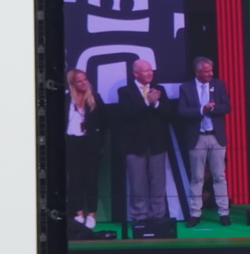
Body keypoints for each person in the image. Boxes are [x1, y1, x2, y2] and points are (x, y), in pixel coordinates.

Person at [177, 57, 231, 227]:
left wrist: (213, 108)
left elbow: (227, 107)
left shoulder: (218, 84)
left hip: (216, 136)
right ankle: (195, 213)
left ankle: (224, 212)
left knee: (219, 176)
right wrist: (202, 109)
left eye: (211, 70)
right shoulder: (185, 88)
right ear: (197, 72)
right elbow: (182, 111)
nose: (210, 74)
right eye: (206, 71)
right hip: (197, 137)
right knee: (197, 177)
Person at [117, 58, 171, 221]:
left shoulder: (159, 89)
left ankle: (158, 217)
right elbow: (127, 114)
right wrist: (147, 101)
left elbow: (169, 114)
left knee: (158, 185)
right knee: (137, 185)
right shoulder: (125, 91)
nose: (150, 73)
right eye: (146, 71)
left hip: (157, 144)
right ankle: (140, 218)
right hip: (134, 146)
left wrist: (156, 104)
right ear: (136, 73)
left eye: (150, 70)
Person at [65, 69, 105, 231]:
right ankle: (79, 213)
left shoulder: (95, 99)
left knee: (91, 180)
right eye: (79, 81)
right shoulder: (66, 99)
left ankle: (91, 215)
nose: (84, 83)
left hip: (89, 144)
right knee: (75, 180)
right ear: (72, 84)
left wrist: (98, 143)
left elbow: (104, 123)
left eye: (85, 79)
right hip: (72, 143)